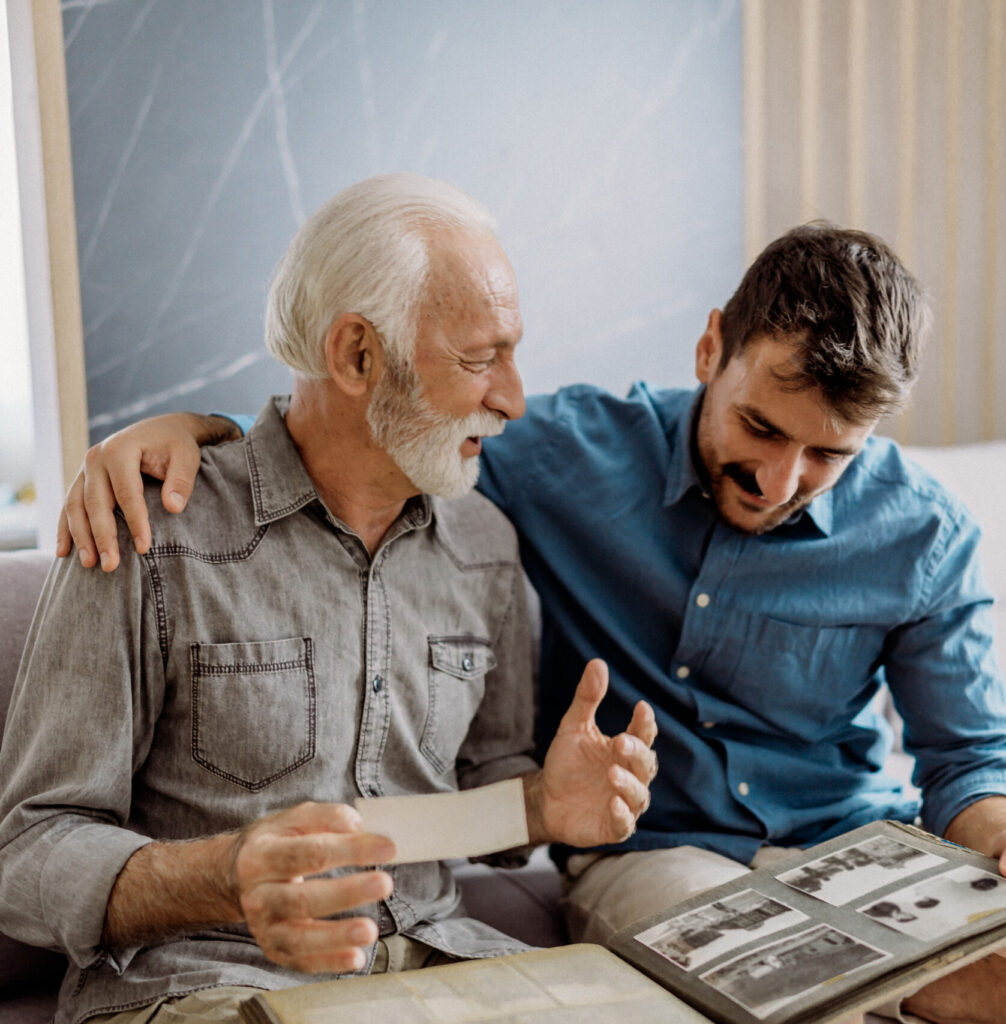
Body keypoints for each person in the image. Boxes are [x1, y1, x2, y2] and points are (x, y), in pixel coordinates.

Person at [52, 221, 1006, 1022]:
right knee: (784, 983)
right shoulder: (566, 456)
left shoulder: (926, 535)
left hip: (855, 842)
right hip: (667, 853)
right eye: (759, 428)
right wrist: (190, 433)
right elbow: (362, 433)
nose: (779, 481)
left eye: (829, 456)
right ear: (711, 348)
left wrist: (995, 842)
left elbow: (968, 762)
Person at [0, 174, 659, 1024]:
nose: (513, 398)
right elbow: (28, 850)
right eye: (478, 357)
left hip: (439, 961)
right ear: (357, 355)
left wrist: (543, 804)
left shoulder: (486, 546)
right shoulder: (146, 529)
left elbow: (463, 801)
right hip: (205, 978)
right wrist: (226, 876)